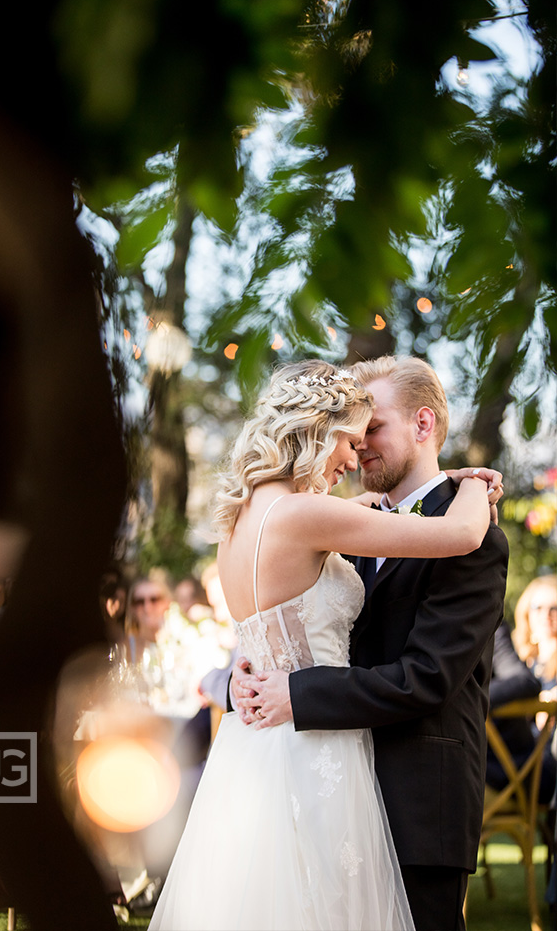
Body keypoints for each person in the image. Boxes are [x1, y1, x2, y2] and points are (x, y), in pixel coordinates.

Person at [149, 359, 504, 931]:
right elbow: (455, 532)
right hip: (319, 763)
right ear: (317, 427)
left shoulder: (248, 519)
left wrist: (269, 685)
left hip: (404, 794)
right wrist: (477, 484)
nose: (358, 450)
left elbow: (429, 676)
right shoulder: (318, 518)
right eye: (351, 435)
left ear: (422, 424)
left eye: (373, 429)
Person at [487, 619, 556, 804]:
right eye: (538, 608)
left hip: (513, 769)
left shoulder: (487, 622)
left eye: (554, 608)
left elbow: (525, 681)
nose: (546, 617)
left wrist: (464, 701)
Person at [512, 573, 557, 700]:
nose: (546, 614)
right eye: (538, 607)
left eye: (554, 608)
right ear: (526, 612)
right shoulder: (515, 656)